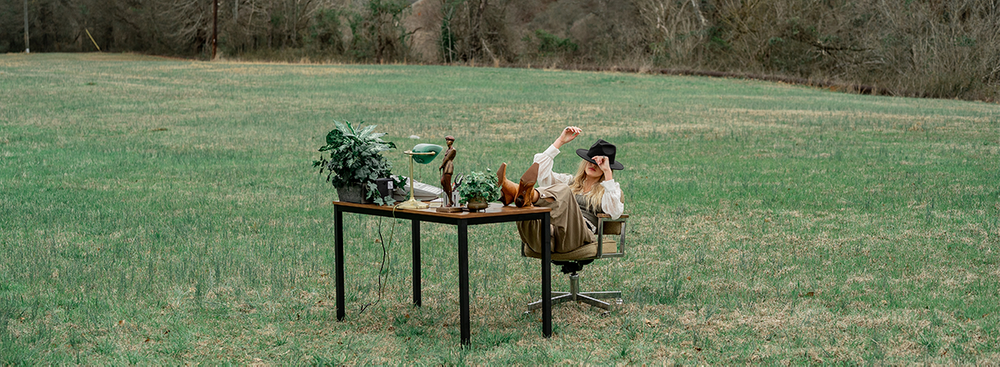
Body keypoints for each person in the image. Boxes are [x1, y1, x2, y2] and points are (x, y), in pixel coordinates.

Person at [498, 126, 625, 255]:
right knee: (527, 211)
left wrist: (607, 172)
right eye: (591, 160)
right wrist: (560, 141)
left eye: (599, 163)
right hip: (550, 236)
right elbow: (540, 172)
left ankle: (519, 193)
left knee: (564, 191)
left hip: (577, 236)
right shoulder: (570, 182)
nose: (593, 164)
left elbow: (614, 212)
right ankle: (525, 197)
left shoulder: (609, 191)